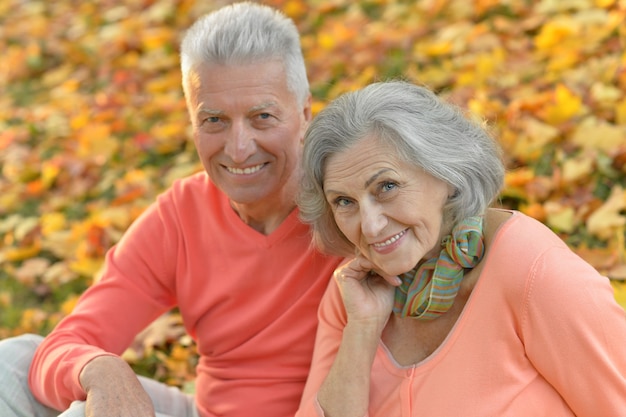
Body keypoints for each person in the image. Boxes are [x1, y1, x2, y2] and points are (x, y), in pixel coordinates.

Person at [0, 3, 343, 417]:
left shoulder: (350, 204)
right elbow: (71, 340)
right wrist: (99, 368)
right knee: (12, 363)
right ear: (191, 122)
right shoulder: (182, 214)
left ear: (305, 113)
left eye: (262, 117)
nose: (238, 148)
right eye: (214, 119)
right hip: (206, 412)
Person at [295, 80, 626, 417]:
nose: (370, 225)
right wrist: (362, 330)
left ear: (446, 172)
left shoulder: (533, 271)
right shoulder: (351, 294)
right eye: (344, 201)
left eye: (387, 187)